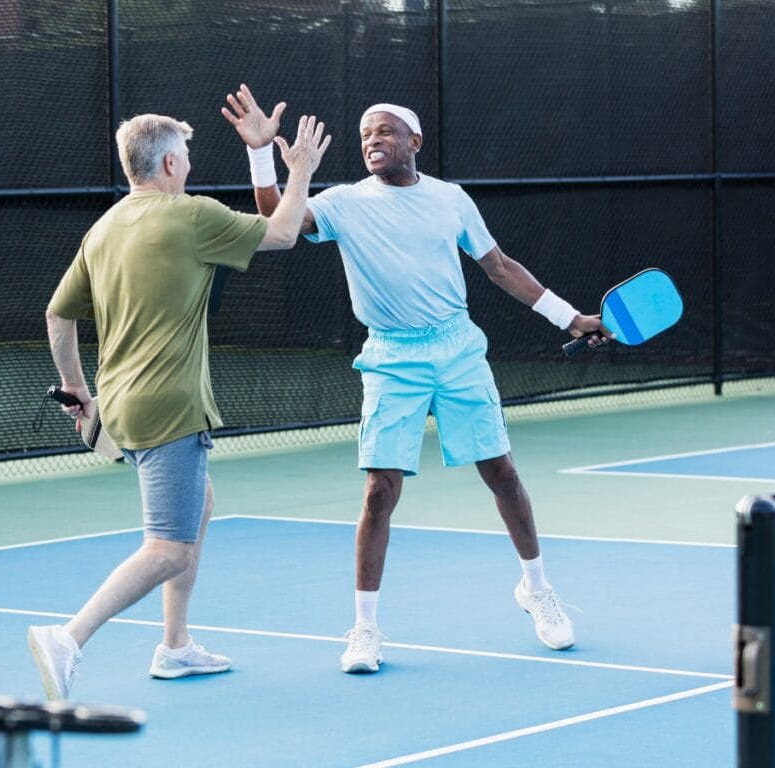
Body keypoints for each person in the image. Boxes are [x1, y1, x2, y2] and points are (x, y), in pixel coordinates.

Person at [222, 84, 611, 674]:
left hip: (457, 350)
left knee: (501, 473)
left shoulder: (452, 200)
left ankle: (536, 587)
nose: (371, 141)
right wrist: (258, 155)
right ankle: (365, 630)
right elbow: (279, 220)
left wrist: (572, 317)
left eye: (383, 131)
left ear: (414, 141)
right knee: (379, 492)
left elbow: (500, 268)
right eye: (363, 136)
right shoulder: (344, 202)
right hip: (391, 357)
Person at [28, 109, 330, 700]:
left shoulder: (103, 228)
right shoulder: (191, 216)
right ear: (170, 163)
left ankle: (175, 646)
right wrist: (300, 171)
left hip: (121, 407)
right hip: (169, 408)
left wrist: (77, 392)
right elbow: (286, 232)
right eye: (186, 158)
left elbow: (57, 314)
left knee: (200, 504)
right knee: (167, 547)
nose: (189, 167)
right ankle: (67, 638)